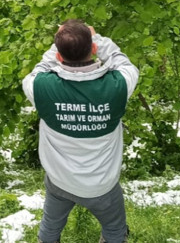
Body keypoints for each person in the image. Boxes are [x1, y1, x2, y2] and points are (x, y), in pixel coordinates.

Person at [22, 19, 139, 243]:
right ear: (93, 49)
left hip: (60, 181)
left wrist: (59, 43)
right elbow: (123, 62)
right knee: (115, 230)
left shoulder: (40, 87)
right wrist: (96, 38)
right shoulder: (118, 86)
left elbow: (40, 68)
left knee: (50, 228)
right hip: (102, 185)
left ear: (58, 54)